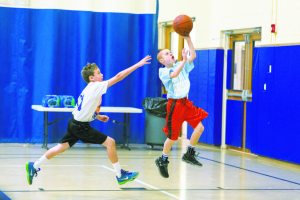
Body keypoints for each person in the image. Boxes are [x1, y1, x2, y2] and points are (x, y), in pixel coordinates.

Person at [26, 55, 152, 185]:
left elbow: (82, 110)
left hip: (74, 123)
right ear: (91, 78)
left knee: (61, 147)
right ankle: (120, 175)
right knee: (110, 142)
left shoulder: (89, 89)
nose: (102, 74)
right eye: (98, 73)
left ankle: (34, 165)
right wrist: (137, 65)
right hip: (80, 126)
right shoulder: (95, 86)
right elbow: (118, 77)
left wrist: (97, 116)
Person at [155, 36, 208, 178]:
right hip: (175, 105)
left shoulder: (181, 64)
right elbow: (174, 74)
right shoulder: (163, 71)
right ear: (162, 61)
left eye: (170, 52)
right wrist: (184, 60)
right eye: (166, 53)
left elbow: (194, 55)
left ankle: (189, 153)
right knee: (173, 137)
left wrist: (188, 37)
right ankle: (163, 159)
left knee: (200, 127)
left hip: (186, 103)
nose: (170, 53)